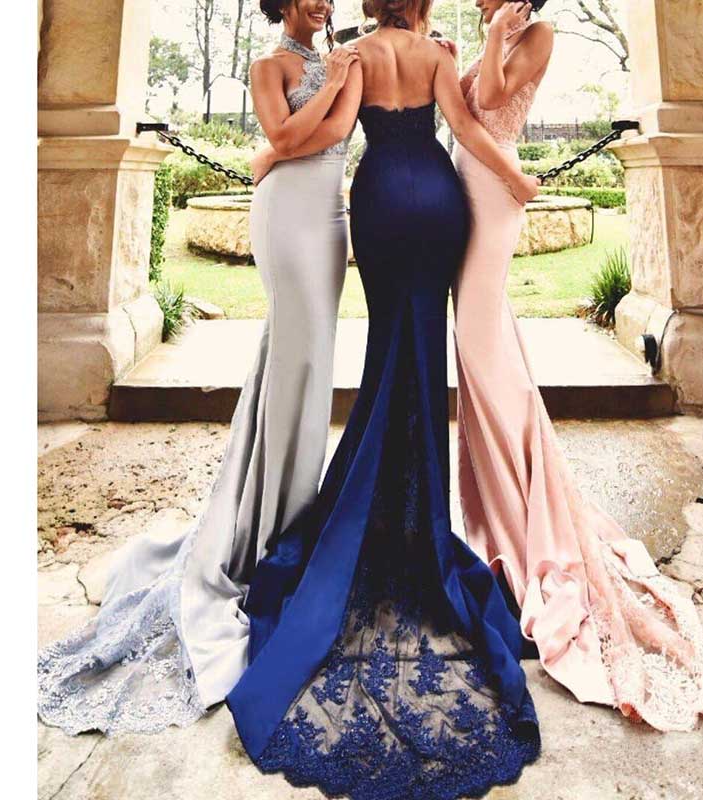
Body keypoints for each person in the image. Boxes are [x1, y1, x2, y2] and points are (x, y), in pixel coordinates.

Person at [225, 2, 542, 797]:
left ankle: (372, 505)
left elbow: (331, 133)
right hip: (436, 197)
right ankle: (419, 517)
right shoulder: (437, 54)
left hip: (378, 201)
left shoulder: (355, 55)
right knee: (424, 350)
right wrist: (512, 177)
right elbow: (465, 130)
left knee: (386, 347)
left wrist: (267, 155)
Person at [37, 0, 361, 736]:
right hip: (286, 214)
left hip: (329, 218)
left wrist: (315, 111)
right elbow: (282, 137)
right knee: (292, 356)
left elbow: (336, 134)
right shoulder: (267, 63)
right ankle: (266, 528)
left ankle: (292, 513)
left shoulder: (343, 61)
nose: (322, 3)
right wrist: (292, 136)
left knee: (311, 364)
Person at [452, 0, 703, 730]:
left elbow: (490, 98)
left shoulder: (538, 34)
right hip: (470, 189)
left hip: (493, 194)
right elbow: (463, 110)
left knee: (483, 349)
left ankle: (526, 517)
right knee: (480, 351)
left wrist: (493, 36)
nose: (479, 3)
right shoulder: (496, 30)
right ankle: (499, 509)